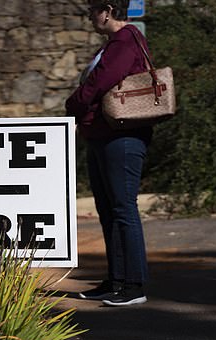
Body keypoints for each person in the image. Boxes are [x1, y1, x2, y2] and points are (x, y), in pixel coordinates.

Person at [65, 0, 152, 306]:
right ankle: (116, 280)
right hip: (104, 135)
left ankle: (134, 285)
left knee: (123, 210)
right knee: (109, 210)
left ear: (109, 10)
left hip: (122, 137)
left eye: (93, 10)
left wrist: (71, 104)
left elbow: (98, 84)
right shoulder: (115, 43)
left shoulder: (125, 41)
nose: (90, 16)